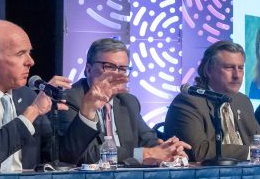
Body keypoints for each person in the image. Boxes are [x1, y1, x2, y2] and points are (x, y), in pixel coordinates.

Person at [0, 20, 113, 171]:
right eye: (20, 54)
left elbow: (60, 159)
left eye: (29, 53)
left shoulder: (26, 95)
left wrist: (87, 110)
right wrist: (32, 112)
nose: (30, 61)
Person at [59, 38, 190, 165]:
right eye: (109, 67)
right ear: (88, 70)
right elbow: (84, 155)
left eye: (122, 69)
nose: (118, 75)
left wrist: (167, 150)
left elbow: (147, 139)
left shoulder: (128, 101)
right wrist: (144, 154)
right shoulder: (68, 99)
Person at [164, 40, 260, 163]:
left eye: (240, 68)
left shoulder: (242, 101)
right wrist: (254, 151)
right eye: (229, 68)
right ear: (208, 70)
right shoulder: (188, 102)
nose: (237, 75)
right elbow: (199, 152)